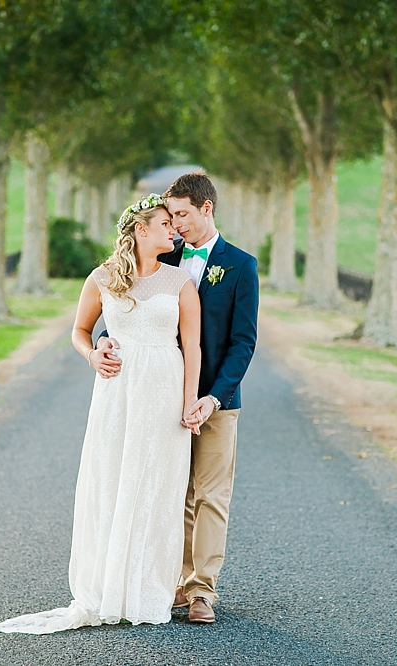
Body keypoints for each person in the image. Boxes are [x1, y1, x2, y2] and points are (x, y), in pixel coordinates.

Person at [0, 194, 203, 634]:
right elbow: (79, 331)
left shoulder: (181, 282)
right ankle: (108, 588)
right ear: (141, 230)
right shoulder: (102, 278)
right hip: (116, 392)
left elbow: (192, 347)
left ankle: (147, 592)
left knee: (157, 486)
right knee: (112, 479)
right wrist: (92, 354)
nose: (173, 230)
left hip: (164, 388)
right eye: (165, 223)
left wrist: (189, 402)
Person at [96, 172, 260, 624]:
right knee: (169, 489)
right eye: (171, 217)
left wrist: (213, 398)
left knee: (209, 494)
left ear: (206, 209)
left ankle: (202, 590)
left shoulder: (240, 265)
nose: (177, 224)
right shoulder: (164, 255)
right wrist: (106, 340)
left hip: (215, 399)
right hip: (160, 396)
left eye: (183, 215)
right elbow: (138, 311)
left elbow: (243, 342)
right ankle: (172, 581)